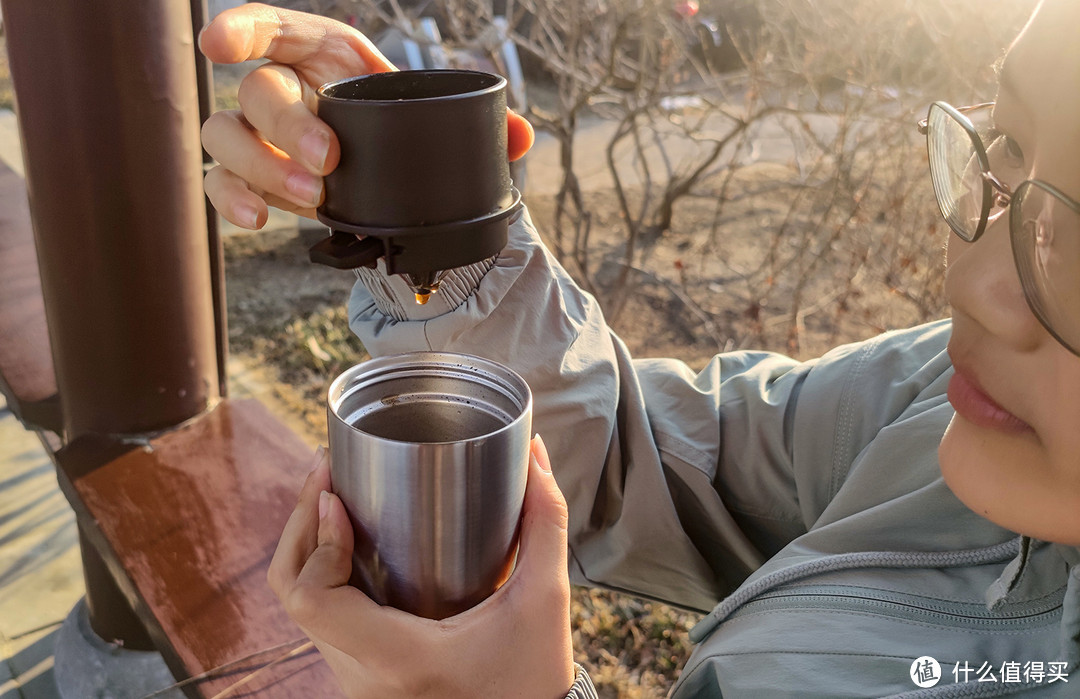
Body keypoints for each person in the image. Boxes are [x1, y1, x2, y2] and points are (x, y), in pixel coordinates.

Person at [199, 1, 1080, 695]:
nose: (973, 282)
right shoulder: (938, 403)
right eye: (1004, 146)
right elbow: (655, 456)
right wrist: (426, 218)